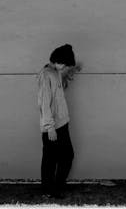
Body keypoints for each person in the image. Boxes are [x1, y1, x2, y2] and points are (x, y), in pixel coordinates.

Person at [37, 43, 82, 197]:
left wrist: (72, 71)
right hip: (53, 127)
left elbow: (58, 91)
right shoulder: (45, 75)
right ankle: (49, 190)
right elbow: (44, 103)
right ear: (58, 61)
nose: (64, 68)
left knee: (67, 156)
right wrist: (50, 127)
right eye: (65, 65)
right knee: (50, 160)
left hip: (62, 123)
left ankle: (56, 187)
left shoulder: (55, 73)